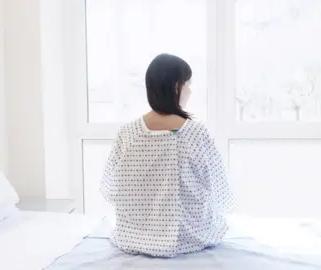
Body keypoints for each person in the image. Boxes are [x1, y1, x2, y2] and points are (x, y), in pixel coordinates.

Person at [100, 53, 234, 257]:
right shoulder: (195, 133)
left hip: (133, 235)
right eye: (187, 84)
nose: (190, 91)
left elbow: (110, 189)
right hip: (189, 236)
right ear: (176, 87)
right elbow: (218, 189)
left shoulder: (127, 134)